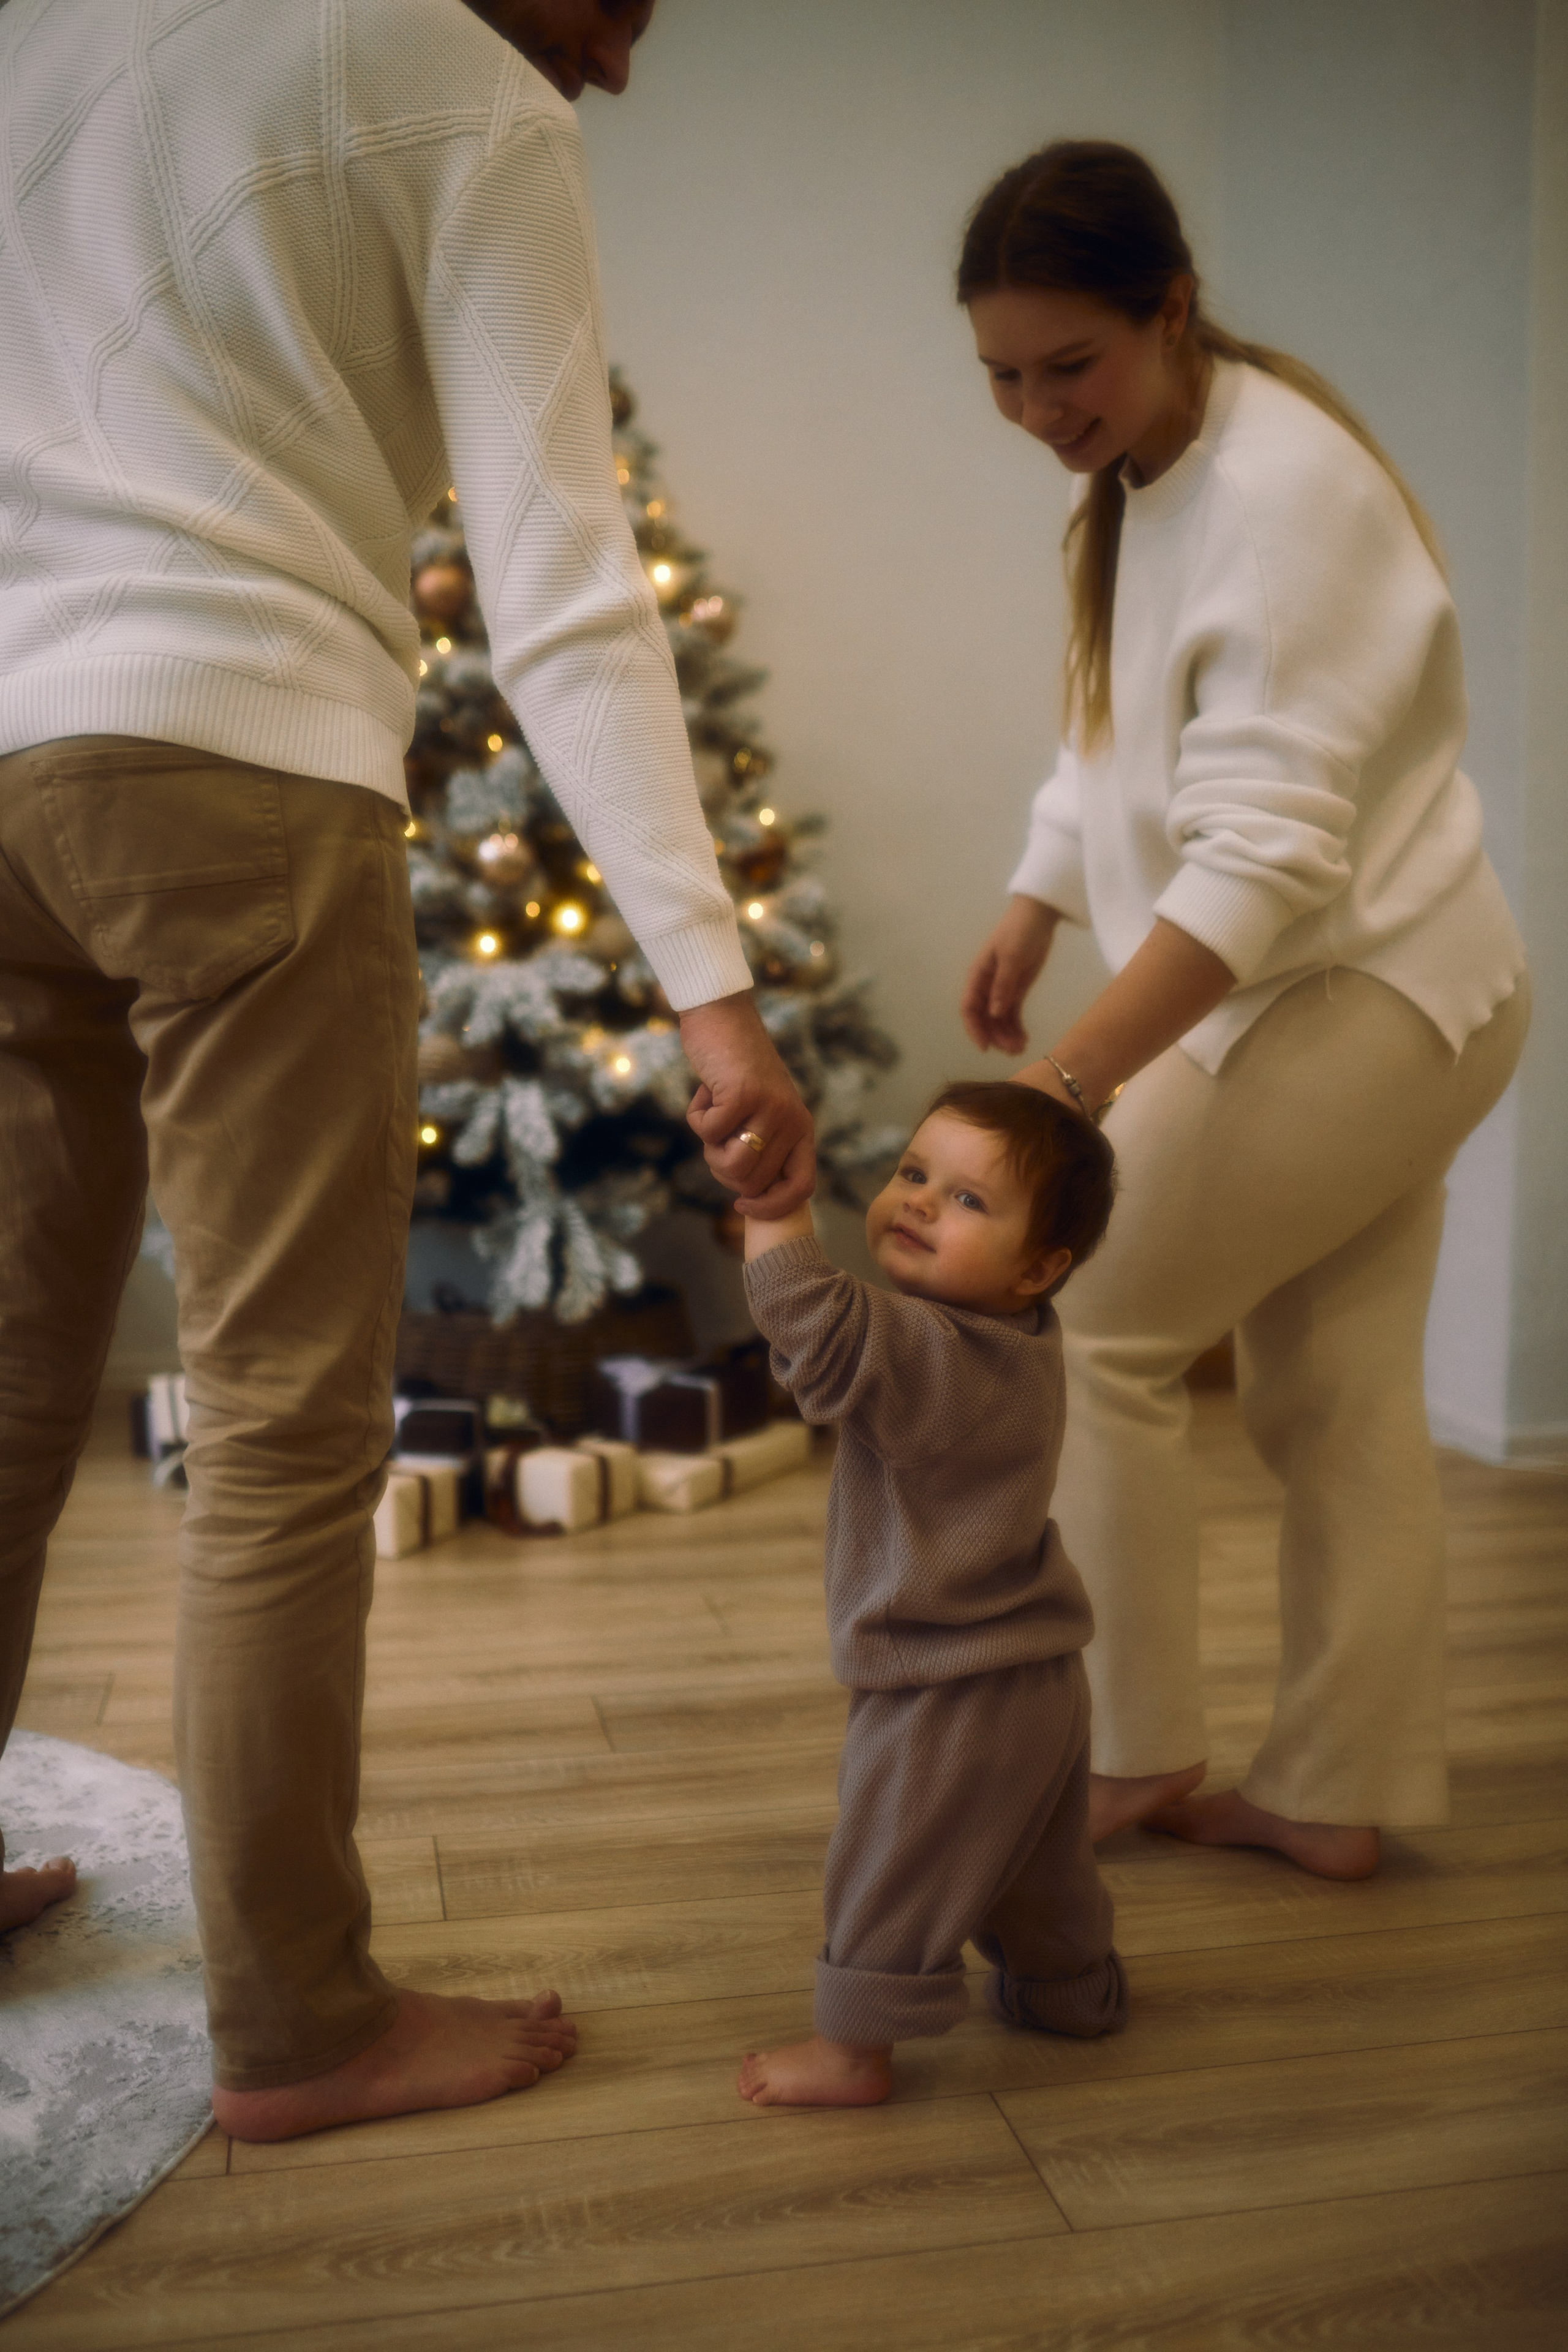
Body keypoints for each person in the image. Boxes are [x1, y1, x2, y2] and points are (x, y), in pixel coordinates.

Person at [0, 0, 812, 2141]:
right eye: (631, 3)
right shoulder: (464, 89)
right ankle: (300, 2023)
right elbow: (560, 587)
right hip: (238, 756)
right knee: (288, 1430)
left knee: (0, 1385)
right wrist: (715, 998)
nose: (623, 64)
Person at [955, 142, 1528, 1882]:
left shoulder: (1285, 503)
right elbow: (1116, 720)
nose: (1041, 407)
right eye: (1002, 376)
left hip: (1363, 996)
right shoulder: (1146, 460)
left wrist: (1066, 1086)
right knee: (1339, 1396)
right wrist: (1037, 887)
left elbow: (1259, 867)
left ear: (1171, 309)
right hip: (1386, 985)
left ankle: (1127, 1757)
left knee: (1094, 1318)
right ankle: (1334, 1793)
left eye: (1072, 365)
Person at [736, 1082, 1127, 2108]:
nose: (916, 1201)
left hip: (946, 1683)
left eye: (967, 1201)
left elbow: (814, 1321)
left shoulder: (945, 1355)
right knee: (1034, 1867)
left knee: (895, 1859)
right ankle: (1068, 1988)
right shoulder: (1018, 1338)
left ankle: (853, 2049)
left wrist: (772, 1210)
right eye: (916, 1174)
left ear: (1041, 1268)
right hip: (1033, 1670)